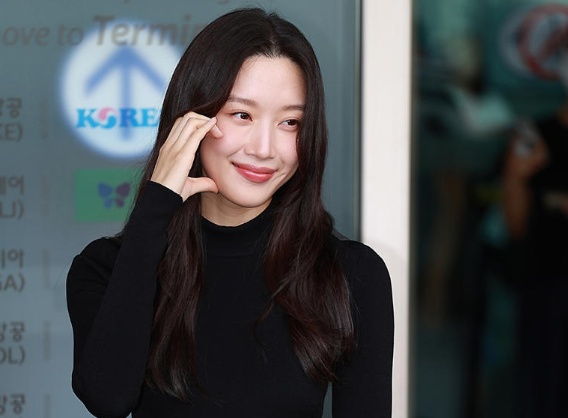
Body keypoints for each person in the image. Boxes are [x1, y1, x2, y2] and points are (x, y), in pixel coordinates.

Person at [66, 8, 394, 418]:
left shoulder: (350, 275)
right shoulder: (107, 268)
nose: (264, 149)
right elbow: (107, 399)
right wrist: (156, 206)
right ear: (190, 119)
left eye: (291, 122)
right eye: (242, 115)